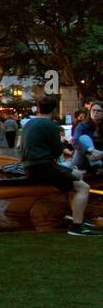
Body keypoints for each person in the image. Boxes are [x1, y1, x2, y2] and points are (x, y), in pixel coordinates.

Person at [21, 96, 98, 236]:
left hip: (30, 166)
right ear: (55, 110)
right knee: (83, 187)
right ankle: (77, 226)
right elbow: (57, 151)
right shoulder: (51, 126)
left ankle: (75, 214)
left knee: (77, 174)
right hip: (43, 167)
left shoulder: (29, 124)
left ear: (38, 108)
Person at [70, 101, 103, 176]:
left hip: (100, 157)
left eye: (98, 111)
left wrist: (101, 154)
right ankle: (95, 164)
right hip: (83, 157)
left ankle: (97, 164)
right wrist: (91, 150)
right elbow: (75, 141)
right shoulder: (82, 126)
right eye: (93, 110)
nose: (95, 113)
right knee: (84, 138)